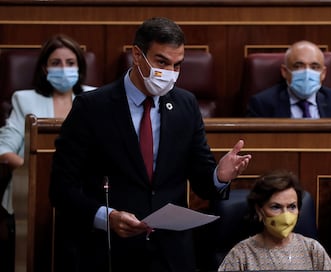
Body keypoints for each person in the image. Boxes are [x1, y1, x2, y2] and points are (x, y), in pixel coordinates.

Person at [48, 17, 251, 272]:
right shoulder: (91, 108)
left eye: (177, 65)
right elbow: (61, 188)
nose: (170, 74)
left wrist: (219, 176)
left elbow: (202, 179)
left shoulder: (186, 105)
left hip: (172, 253)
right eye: (162, 62)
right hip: (111, 251)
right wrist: (107, 217)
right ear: (137, 55)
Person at [0, 34, 95, 272]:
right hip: (30, 194)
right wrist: (32, 171)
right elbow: (3, 148)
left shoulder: (95, 98)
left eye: (70, 63)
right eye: (56, 63)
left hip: (82, 193)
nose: (64, 69)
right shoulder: (24, 99)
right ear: (44, 67)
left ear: (80, 67)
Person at [218, 169, 331, 271]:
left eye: (292, 207)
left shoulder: (312, 249)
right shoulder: (242, 254)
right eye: (276, 207)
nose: (285, 215)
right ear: (259, 210)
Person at [246, 40, 331, 118]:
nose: (307, 72)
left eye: (314, 67)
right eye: (298, 66)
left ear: (323, 73)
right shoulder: (262, 104)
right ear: (285, 72)